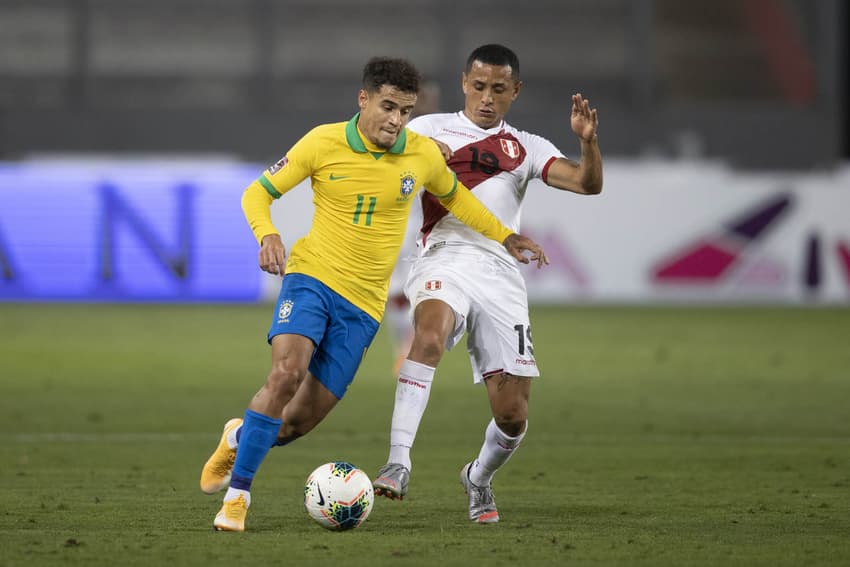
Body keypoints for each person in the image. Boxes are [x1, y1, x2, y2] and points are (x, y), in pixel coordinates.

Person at [199, 56, 547, 532]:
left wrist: (505, 236)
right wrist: (268, 235)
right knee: (285, 373)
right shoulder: (322, 142)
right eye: (387, 107)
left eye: (405, 111)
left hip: (363, 308)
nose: (395, 120)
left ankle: (239, 436)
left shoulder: (420, 153)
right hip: (312, 278)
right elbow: (257, 193)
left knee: (296, 422)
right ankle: (237, 499)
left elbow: (457, 198)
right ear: (363, 100)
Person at [371, 44, 603, 524]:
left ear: (515, 91)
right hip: (444, 257)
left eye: (499, 89)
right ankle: (397, 461)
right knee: (428, 335)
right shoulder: (426, 130)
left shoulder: (529, 146)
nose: (486, 98)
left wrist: (587, 142)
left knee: (513, 415)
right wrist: (412, 160)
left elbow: (586, 183)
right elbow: (385, 170)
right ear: (463, 83)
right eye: (478, 87)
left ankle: (477, 478)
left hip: (500, 273)